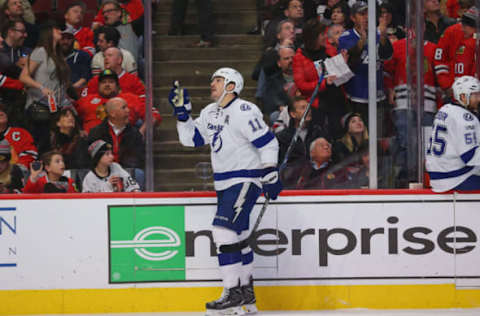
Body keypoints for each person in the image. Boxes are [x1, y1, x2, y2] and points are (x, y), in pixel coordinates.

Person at [169, 67, 282, 315]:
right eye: (212, 80)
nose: (212, 84)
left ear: (231, 86)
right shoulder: (211, 112)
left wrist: (270, 171)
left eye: (218, 80)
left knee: (222, 231)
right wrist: (182, 115)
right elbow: (192, 140)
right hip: (224, 184)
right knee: (238, 237)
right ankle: (246, 295)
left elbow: (267, 142)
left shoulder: (244, 110)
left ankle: (231, 292)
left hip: (245, 179)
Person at [19, 23, 72, 154]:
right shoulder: (40, 51)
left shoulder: (59, 55)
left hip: (56, 106)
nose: (60, 31)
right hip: (39, 104)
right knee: (42, 143)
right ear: (48, 33)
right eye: (57, 29)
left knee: (54, 144)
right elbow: (23, 76)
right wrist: (41, 87)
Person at [293, 18, 349, 139]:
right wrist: (324, 83)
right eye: (322, 34)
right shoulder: (299, 57)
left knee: (339, 135)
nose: (325, 36)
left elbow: (339, 73)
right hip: (318, 106)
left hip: (337, 101)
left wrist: (343, 63)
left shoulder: (330, 49)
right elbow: (302, 86)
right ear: (312, 37)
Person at [426, 76, 480, 192]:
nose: (478, 99)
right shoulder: (466, 118)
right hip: (455, 178)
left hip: (438, 176)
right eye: (475, 95)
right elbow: (471, 157)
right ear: (463, 97)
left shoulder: (444, 109)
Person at [77, 69, 160, 134]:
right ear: (98, 86)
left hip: (123, 144)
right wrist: (78, 132)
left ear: (118, 86)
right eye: (103, 82)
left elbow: (154, 116)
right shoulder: (86, 100)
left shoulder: (131, 99)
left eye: (111, 82)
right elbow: (69, 114)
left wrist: (141, 132)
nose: (107, 85)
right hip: (92, 145)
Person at [87, 97, 145, 186]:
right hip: (102, 171)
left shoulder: (135, 133)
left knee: (138, 173)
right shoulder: (96, 132)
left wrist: (118, 171)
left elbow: (137, 158)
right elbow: (93, 157)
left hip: (126, 171)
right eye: (124, 107)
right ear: (112, 113)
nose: (128, 110)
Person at [434, 6, 478, 95]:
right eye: (462, 25)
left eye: (466, 26)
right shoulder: (452, 32)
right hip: (454, 92)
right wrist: (446, 85)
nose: (462, 29)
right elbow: (440, 59)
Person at [277, 95, 329, 164]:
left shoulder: (318, 131)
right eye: (303, 108)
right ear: (293, 114)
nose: (308, 110)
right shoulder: (283, 138)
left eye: (308, 107)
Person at [0, 103, 37, 172]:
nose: (1, 113)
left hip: (17, 176)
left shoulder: (21, 133)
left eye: (3, 110)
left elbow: (30, 154)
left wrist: (17, 170)